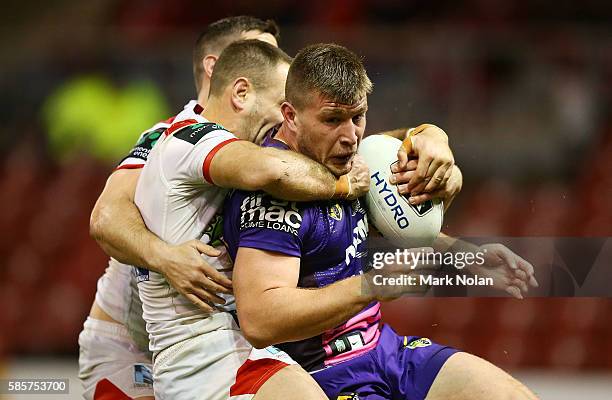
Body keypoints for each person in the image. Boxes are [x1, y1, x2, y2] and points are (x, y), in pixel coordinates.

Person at [83, 15, 461, 400]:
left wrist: (428, 135)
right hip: (132, 342)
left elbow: (344, 147)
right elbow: (105, 218)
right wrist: (163, 257)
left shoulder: (249, 143)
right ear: (231, 77)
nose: (287, 105)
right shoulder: (175, 138)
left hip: (224, 338)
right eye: (274, 75)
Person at [224, 43, 539, 400]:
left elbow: (392, 220)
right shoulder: (273, 194)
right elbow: (261, 320)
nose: (350, 136)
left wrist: (467, 256)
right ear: (291, 116)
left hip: (385, 350)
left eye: (357, 117)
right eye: (331, 120)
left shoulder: (351, 158)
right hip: (319, 374)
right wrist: (370, 285)